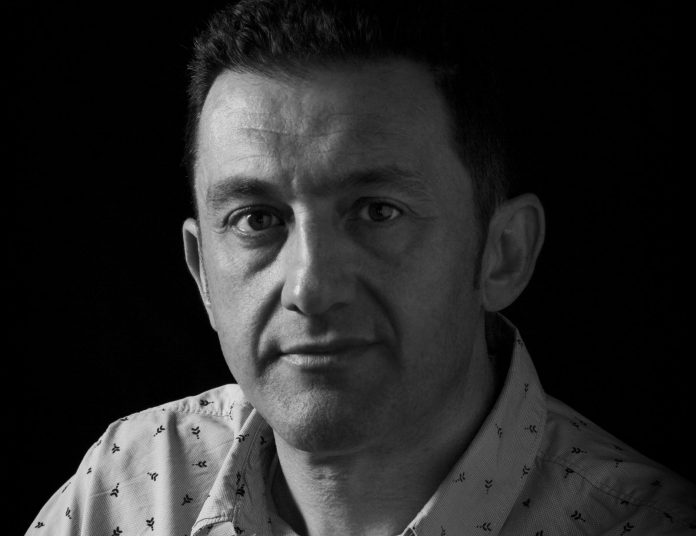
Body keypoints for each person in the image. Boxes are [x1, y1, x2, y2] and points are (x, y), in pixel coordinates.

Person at [27, 1, 693, 535]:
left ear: (503, 254)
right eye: (257, 219)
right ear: (202, 271)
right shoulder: (125, 484)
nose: (310, 288)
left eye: (377, 211)